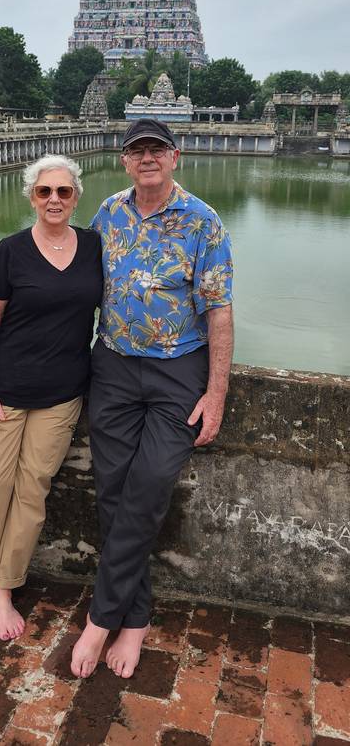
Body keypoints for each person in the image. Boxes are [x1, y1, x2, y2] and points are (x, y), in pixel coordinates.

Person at [71, 118, 233, 678]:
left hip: (177, 371)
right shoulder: (109, 213)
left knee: (149, 484)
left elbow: (219, 310)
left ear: (175, 156)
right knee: (112, 492)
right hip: (113, 365)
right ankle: (135, 619)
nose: (147, 159)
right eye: (137, 150)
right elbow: (78, 285)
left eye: (156, 150)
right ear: (124, 160)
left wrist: (215, 393)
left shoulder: (203, 222)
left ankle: (101, 617)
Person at [0, 155, 102, 640]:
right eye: (44, 192)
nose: (54, 200)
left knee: (32, 490)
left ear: (76, 195)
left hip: (62, 396)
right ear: (31, 198)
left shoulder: (94, 247)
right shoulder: (11, 250)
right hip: (8, 392)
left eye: (63, 191)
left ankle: (5, 588)